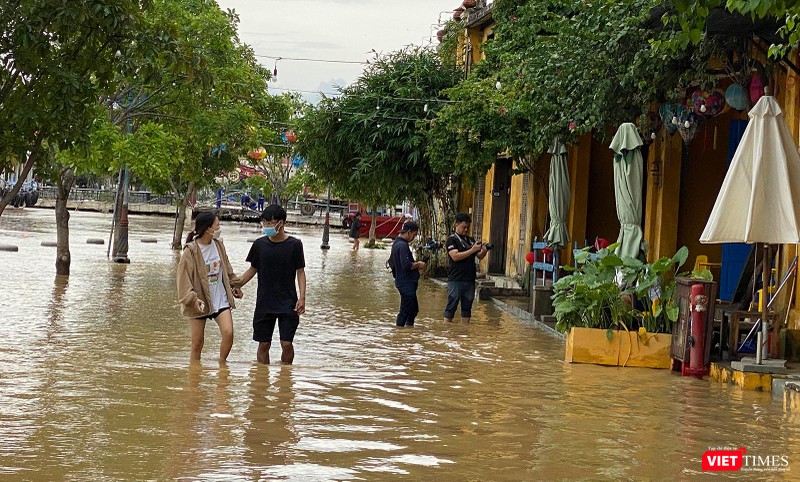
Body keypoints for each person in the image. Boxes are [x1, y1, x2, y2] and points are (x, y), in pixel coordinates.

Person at [240, 205, 306, 364]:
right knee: (264, 344)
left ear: (281, 223)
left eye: (271, 223)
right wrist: (236, 284)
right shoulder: (259, 245)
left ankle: (286, 377)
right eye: (265, 223)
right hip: (264, 301)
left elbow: (300, 272)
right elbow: (252, 269)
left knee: (287, 344)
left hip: (288, 301)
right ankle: (261, 381)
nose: (267, 226)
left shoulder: (295, 245)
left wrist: (302, 297)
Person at [176, 212, 243, 363]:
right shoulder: (190, 250)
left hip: (220, 298)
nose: (219, 227)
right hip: (199, 300)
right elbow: (182, 278)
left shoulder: (219, 245)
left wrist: (234, 286)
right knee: (197, 343)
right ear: (207, 229)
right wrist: (192, 298)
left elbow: (227, 269)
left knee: (229, 333)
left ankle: (222, 365)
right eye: (217, 225)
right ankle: (194, 378)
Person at [443, 213, 488, 323]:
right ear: (457, 225)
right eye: (464, 227)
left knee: (467, 309)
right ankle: (446, 330)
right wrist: (472, 250)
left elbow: (479, 256)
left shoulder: (470, 240)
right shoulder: (451, 240)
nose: (466, 230)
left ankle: (465, 333)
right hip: (456, 279)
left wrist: (485, 250)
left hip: (469, 280)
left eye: (468, 227)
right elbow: (455, 256)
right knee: (451, 307)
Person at [388, 221, 425, 327]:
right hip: (405, 283)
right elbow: (406, 265)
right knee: (405, 310)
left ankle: (407, 333)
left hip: (403, 281)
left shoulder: (396, 243)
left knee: (413, 310)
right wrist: (418, 264)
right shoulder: (402, 245)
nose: (413, 238)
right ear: (409, 232)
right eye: (414, 235)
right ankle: (400, 333)